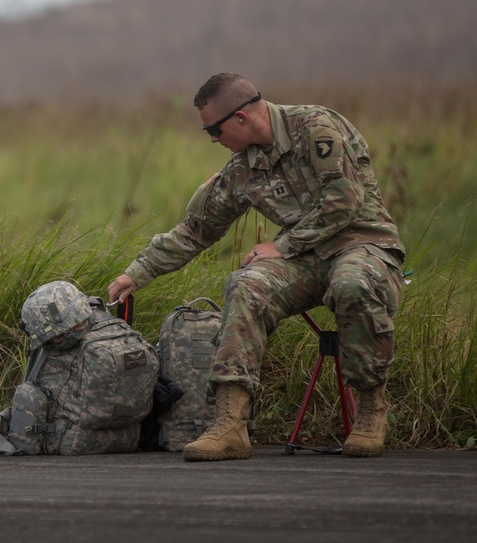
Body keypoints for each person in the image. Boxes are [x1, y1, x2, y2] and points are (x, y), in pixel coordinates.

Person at [107, 72, 404, 461]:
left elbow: (344, 200)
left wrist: (282, 244)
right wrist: (137, 273)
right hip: (304, 262)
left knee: (351, 284)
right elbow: (198, 229)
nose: (213, 139)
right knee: (246, 284)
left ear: (242, 119)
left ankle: (370, 413)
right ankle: (230, 424)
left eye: (214, 129)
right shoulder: (241, 169)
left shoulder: (315, 127)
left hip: (364, 245)